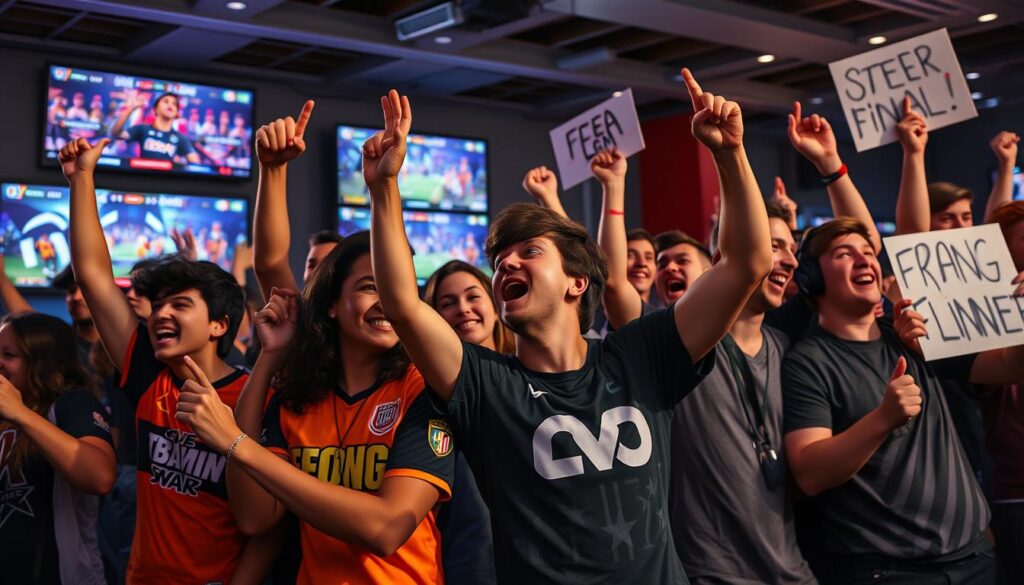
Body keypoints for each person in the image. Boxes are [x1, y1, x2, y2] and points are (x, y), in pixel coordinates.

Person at [367, 67, 772, 582]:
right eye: (499, 263)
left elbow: (746, 262)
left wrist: (729, 154)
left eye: (528, 253)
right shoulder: (486, 384)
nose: (507, 266)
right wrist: (384, 188)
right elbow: (402, 302)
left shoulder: (641, 355)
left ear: (576, 282)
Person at [177, 233, 455, 585]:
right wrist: (269, 356)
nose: (387, 301)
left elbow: (387, 528)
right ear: (332, 304)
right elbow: (255, 516)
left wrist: (237, 442)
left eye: (397, 287)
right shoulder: (299, 397)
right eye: (370, 287)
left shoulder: (422, 387)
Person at [58, 136, 267, 584]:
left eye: (180, 304)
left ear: (219, 325)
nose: (162, 313)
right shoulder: (152, 373)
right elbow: (93, 275)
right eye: (158, 303)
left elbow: (267, 528)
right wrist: (82, 179)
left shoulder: (252, 397)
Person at [781, 214, 1024, 583]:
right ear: (811, 278)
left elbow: (1009, 367)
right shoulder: (807, 363)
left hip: (975, 558)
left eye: (868, 252)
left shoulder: (916, 335)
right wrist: (883, 418)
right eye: (845, 254)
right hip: (895, 573)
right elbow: (810, 472)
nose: (865, 260)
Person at [0, 312, 116, 585]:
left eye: (8, 355)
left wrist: (20, 413)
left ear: (42, 361)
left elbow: (100, 476)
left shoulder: (71, 404)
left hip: (59, 574)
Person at [423, 260, 511, 584]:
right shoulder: (426, 398)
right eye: (447, 303)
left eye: (473, 296)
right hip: (468, 570)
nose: (463, 309)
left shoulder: (533, 377)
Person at [109, 92, 200, 165]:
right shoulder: (142, 129)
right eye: (166, 101)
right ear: (155, 109)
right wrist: (131, 108)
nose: (170, 105)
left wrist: (179, 165)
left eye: (174, 104)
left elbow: (196, 163)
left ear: (177, 113)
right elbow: (116, 133)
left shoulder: (180, 138)